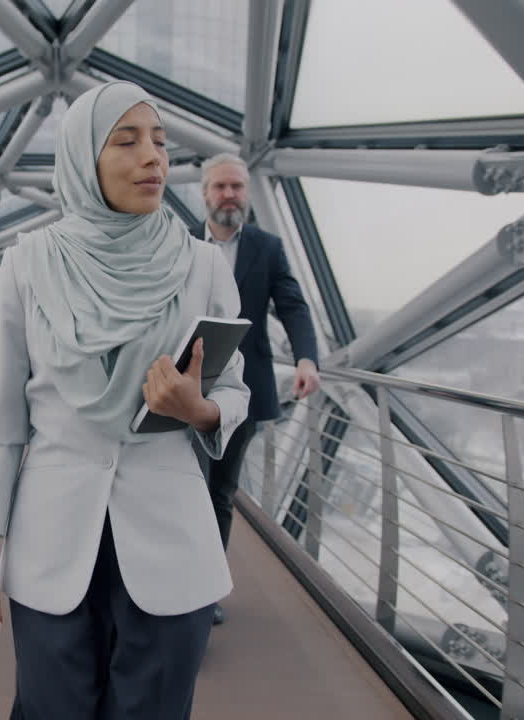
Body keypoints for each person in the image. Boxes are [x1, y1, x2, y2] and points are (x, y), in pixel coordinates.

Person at [0, 81, 250, 720]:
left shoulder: (202, 266)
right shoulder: (30, 264)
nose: (153, 157)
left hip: (172, 545)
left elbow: (234, 391)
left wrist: (197, 409)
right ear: (82, 158)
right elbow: (2, 420)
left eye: (160, 142)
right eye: (127, 141)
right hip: (49, 542)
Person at [194, 153, 321, 626]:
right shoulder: (180, 242)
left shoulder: (267, 248)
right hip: (187, 390)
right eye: (221, 187)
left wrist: (307, 357)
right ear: (205, 193)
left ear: (247, 193)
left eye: (238, 187)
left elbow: (292, 305)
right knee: (182, 488)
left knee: (221, 493)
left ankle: (206, 592)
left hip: (244, 393)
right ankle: (173, 584)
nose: (230, 195)